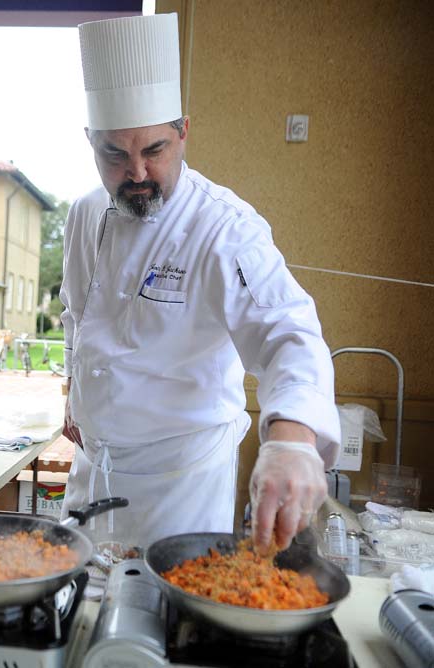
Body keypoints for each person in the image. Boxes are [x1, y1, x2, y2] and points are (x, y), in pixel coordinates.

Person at [59, 13, 341, 552]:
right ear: (90, 141)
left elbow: (288, 330)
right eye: (115, 154)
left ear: (184, 131)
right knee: (83, 612)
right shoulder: (83, 215)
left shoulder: (223, 229)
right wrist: (74, 388)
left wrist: (293, 439)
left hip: (180, 487)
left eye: (155, 150)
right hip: (93, 471)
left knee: (167, 621)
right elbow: (77, 313)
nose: (137, 173)